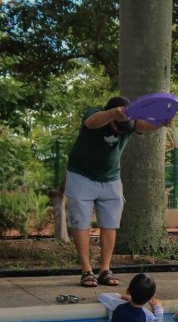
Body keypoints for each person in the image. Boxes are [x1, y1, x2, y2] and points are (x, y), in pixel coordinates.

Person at [65, 96, 170, 287]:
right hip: (81, 175)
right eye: (118, 126)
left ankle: (105, 269)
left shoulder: (129, 124)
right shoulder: (95, 115)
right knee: (81, 223)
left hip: (111, 178)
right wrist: (114, 113)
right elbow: (92, 121)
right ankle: (86, 270)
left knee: (110, 224)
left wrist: (163, 122)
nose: (122, 131)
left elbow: (146, 125)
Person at [99, 273, 164, 322]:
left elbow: (102, 296)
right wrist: (158, 307)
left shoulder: (117, 304)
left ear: (128, 291)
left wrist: (121, 296)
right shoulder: (148, 315)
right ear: (152, 297)